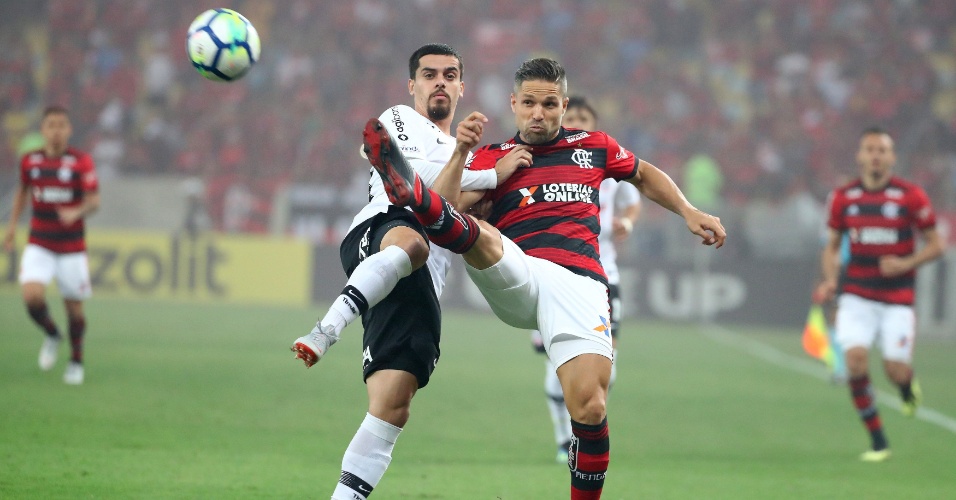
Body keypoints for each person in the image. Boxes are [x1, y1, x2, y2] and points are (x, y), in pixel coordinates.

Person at [363, 57, 725, 499]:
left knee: (590, 408)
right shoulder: (494, 157)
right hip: (520, 271)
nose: (539, 113)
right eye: (530, 103)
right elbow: (449, 199)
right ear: (514, 104)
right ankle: (414, 195)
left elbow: (644, 174)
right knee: (483, 234)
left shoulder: (594, 146)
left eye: (549, 104)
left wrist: (689, 211)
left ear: (562, 104)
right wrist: (460, 153)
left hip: (582, 284)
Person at [289, 44, 515, 500]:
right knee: (412, 238)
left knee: (392, 407)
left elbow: (442, 207)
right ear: (412, 86)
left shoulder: (465, 153)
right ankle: (326, 328)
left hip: (426, 276)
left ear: (461, 87)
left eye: (450, 75)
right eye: (429, 75)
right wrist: (489, 174)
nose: (440, 82)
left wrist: (467, 164)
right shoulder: (399, 119)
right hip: (380, 231)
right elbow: (414, 180)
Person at [815, 127, 944, 463]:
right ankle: (878, 441)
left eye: (882, 150)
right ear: (860, 156)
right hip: (857, 294)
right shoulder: (844, 198)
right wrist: (831, 280)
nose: (875, 155)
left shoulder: (910, 196)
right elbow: (830, 248)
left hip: (897, 299)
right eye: (869, 149)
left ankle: (906, 388)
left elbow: (936, 244)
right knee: (855, 363)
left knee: (894, 369)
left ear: (892, 157)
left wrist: (906, 263)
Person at [529, 96, 642, 464]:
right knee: (557, 365)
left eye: (584, 118)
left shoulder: (607, 165)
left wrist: (627, 221)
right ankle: (566, 441)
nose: (577, 122)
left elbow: (634, 195)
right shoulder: (546, 161)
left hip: (604, 279)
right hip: (557, 277)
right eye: (571, 116)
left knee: (605, 372)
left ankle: (582, 434)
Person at [3, 105, 100, 385]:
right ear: (43, 130)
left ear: (69, 130)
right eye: (51, 125)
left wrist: (76, 211)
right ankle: (52, 333)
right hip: (40, 242)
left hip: (71, 246)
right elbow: (22, 192)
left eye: (61, 125)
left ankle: (76, 361)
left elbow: (94, 201)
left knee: (75, 311)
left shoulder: (81, 162)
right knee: (32, 298)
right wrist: (11, 228)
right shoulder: (30, 162)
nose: (56, 130)